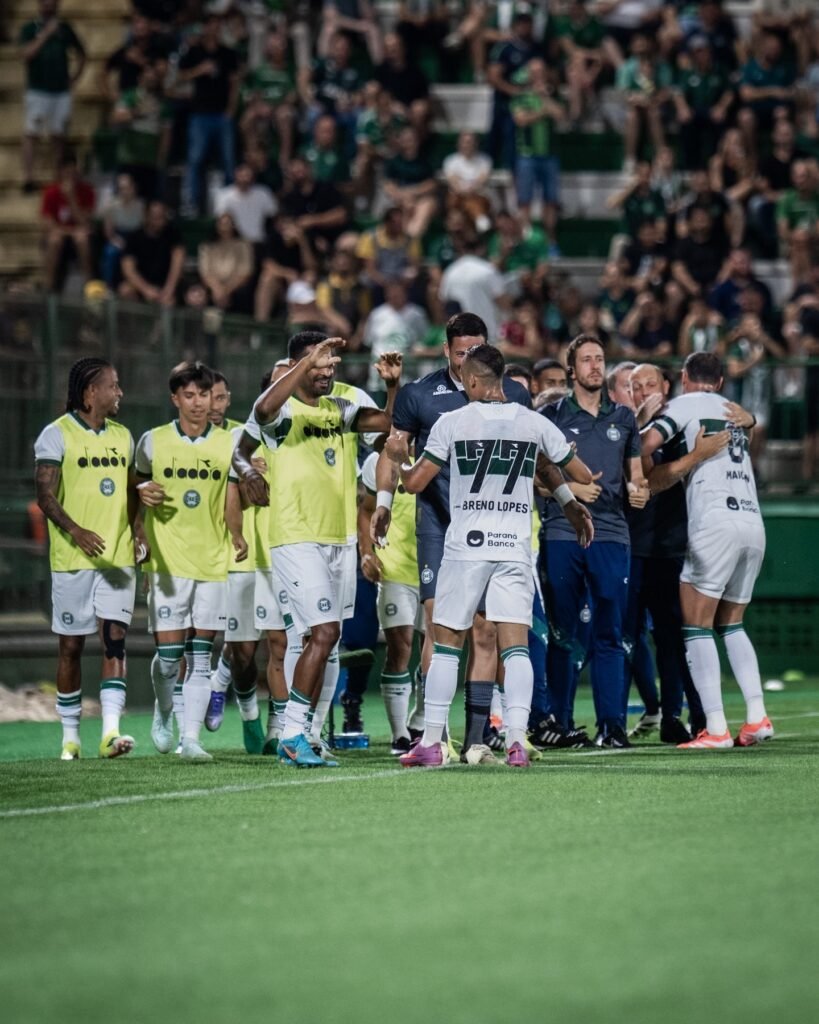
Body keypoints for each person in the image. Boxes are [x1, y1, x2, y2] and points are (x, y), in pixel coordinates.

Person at [384, 344, 593, 769]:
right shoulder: (532, 422)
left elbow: (415, 482)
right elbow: (578, 471)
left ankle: (430, 742)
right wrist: (572, 505)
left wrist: (396, 460)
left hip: (466, 548)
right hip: (514, 546)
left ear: (472, 380)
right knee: (514, 647)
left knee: (446, 645)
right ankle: (516, 740)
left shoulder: (452, 423)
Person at [370, 313, 536, 760]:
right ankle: (433, 731)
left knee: (485, 634)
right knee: (439, 628)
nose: (468, 361)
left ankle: (477, 739)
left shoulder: (514, 394)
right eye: (461, 353)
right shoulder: (419, 395)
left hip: (491, 527)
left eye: (476, 352)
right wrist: (383, 504)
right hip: (438, 526)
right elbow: (394, 451)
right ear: (446, 351)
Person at [233, 333, 400, 768]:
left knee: (324, 638)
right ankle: (292, 733)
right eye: (319, 367)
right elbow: (260, 414)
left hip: (339, 537)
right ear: (298, 367)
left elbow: (386, 426)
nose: (327, 375)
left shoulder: (339, 410)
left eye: (331, 368)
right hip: (295, 536)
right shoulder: (282, 412)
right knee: (320, 634)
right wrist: (302, 366)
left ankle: (304, 735)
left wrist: (393, 387)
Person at [641, 351, 773, 749]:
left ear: (684, 377)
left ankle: (715, 728)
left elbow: (647, 443)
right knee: (731, 623)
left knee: (696, 626)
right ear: (718, 382)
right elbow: (755, 434)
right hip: (752, 521)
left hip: (714, 522)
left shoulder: (683, 405)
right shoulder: (736, 410)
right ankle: (757, 717)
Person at [540, 333, 649, 747]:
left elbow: (635, 476)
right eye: (586, 360)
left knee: (610, 632)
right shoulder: (549, 416)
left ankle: (612, 727)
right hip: (563, 532)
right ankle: (561, 724)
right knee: (564, 632)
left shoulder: (624, 418)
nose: (595, 366)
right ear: (571, 369)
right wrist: (569, 492)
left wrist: (641, 491)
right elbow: (534, 479)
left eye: (600, 359)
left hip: (612, 533)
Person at [136, 361, 245, 762]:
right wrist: (138, 528)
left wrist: (236, 533)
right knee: (168, 660)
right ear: (175, 399)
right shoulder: (152, 441)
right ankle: (164, 711)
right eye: (189, 395)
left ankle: (191, 738)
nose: (197, 403)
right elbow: (136, 486)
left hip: (213, 561)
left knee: (202, 655)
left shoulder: (230, 442)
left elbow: (233, 493)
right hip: (167, 562)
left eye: (203, 395)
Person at [34, 358, 141, 760]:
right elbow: (45, 495)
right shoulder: (55, 435)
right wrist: (76, 530)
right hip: (72, 560)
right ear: (89, 393)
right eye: (113, 386)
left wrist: (139, 532)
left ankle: (111, 734)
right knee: (71, 647)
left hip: (116, 558)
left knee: (115, 641)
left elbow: (132, 489)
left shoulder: (124, 436)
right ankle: (70, 737)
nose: (119, 393)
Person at [358, 449, 422, 754]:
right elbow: (366, 509)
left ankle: (422, 721)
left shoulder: (442, 452)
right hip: (394, 569)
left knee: (437, 649)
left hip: (435, 565)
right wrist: (366, 552)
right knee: (400, 646)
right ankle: (399, 735)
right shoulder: (379, 461)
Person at [19, 0, 85, 194]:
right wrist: (46, 34)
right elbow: (26, 54)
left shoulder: (65, 28)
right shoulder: (30, 28)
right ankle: (28, 178)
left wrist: (75, 78)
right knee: (32, 132)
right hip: (38, 89)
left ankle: (59, 177)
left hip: (61, 91)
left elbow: (81, 54)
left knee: (59, 134)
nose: (48, 4)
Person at [178, 15, 241, 215]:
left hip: (222, 115)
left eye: (218, 26)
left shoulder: (227, 53)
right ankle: (191, 204)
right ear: (204, 28)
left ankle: (230, 206)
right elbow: (180, 76)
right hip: (199, 114)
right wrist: (199, 70)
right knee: (195, 160)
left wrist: (231, 110)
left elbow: (234, 83)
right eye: (211, 25)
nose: (214, 29)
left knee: (228, 162)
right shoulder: (194, 52)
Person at [41, 153, 95, 293]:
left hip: (78, 236)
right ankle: (49, 287)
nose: (70, 175)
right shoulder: (50, 192)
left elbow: (84, 222)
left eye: (73, 171)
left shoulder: (87, 191)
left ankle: (89, 287)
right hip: (61, 234)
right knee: (54, 240)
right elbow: (48, 223)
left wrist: (71, 199)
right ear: (60, 172)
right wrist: (69, 231)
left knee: (82, 239)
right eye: (67, 171)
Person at [119, 200, 185, 307]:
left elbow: (178, 262)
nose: (161, 221)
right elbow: (128, 269)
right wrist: (146, 289)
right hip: (142, 284)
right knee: (125, 290)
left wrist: (169, 289)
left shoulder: (173, 235)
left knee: (170, 301)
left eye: (163, 216)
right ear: (147, 217)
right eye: (156, 217)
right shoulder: (134, 237)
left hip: (165, 284)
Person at [214, 164, 277, 245]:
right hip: (235, 243)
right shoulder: (224, 195)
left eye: (247, 175)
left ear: (253, 177)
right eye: (241, 175)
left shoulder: (263, 193)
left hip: (259, 241)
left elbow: (273, 215)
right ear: (235, 175)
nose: (244, 179)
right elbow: (222, 220)